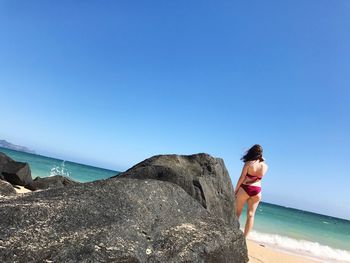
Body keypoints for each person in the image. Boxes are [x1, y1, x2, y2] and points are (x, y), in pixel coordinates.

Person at [234, 144, 268, 237]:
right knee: (251, 215)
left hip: (245, 188)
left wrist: (236, 190)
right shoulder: (264, 166)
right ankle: (245, 237)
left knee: (237, 212)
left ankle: (234, 232)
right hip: (257, 190)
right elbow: (258, 178)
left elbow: (242, 177)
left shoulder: (248, 163)